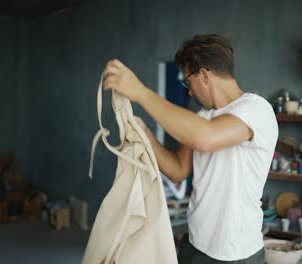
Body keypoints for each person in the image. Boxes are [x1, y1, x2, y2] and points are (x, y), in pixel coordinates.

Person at [102, 34, 278, 263]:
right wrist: (144, 132)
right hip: (195, 244)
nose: (190, 91)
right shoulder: (202, 116)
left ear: (204, 75)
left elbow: (205, 137)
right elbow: (178, 170)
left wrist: (142, 93)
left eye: (188, 81)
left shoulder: (255, 109)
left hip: (235, 254)